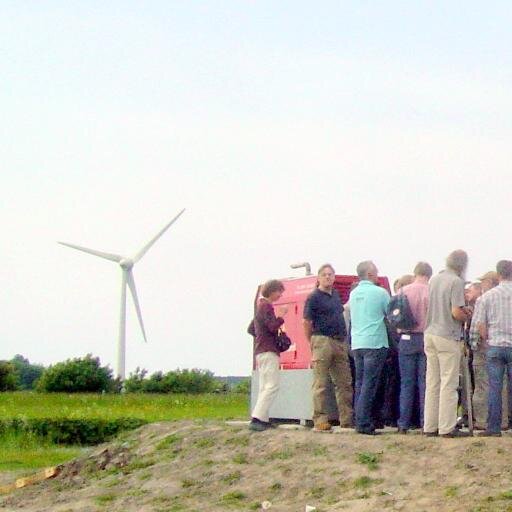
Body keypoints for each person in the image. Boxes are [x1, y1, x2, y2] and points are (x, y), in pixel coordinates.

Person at [424, 250, 471, 438]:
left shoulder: (435, 279)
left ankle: (430, 425)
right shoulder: (456, 282)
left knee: (432, 382)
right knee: (448, 383)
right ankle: (447, 427)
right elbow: (455, 312)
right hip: (447, 334)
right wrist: (467, 313)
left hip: (430, 332)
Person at [303, 264, 353, 431]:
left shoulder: (336, 295)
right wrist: (311, 340)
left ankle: (347, 418)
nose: (328, 277)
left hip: (339, 341)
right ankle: (320, 418)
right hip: (322, 339)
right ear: (318, 277)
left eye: (330, 274)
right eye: (324, 274)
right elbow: (306, 321)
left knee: (344, 382)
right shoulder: (313, 297)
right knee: (321, 382)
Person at [470, 261, 512, 437]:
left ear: (498, 274)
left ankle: (494, 427)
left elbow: (479, 323)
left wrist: (487, 338)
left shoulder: (486, 297)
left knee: (494, 387)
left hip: (495, 345)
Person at [350, 261, 390, 435]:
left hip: (357, 342)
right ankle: (365, 422)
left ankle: (359, 419)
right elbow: (390, 314)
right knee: (370, 383)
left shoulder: (353, 294)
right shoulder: (380, 293)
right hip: (374, 342)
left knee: (359, 382)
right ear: (371, 274)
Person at [396, 262, 432, 434]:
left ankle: (403, 423)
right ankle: (426, 421)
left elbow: (394, 316)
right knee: (425, 383)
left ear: (415, 272)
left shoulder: (403, 291)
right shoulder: (430, 291)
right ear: (429, 275)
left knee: (406, 383)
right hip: (425, 338)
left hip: (405, 338)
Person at [247, 279, 288, 432]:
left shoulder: (259, 307)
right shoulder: (267, 306)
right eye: (279, 291)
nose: (280, 295)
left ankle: (262, 418)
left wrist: (260, 337)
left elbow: (251, 329)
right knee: (272, 385)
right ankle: (257, 417)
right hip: (269, 351)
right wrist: (281, 316)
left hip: (260, 351)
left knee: (264, 386)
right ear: (272, 291)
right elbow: (272, 327)